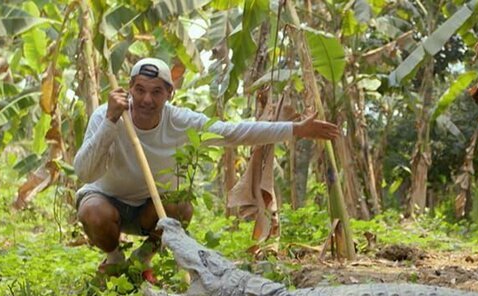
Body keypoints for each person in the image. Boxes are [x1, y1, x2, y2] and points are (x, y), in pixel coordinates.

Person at [74, 57, 340, 283]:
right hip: (105, 201)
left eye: (156, 92)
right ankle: (115, 259)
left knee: (182, 207)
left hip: (149, 208)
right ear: (129, 89)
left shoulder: (180, 120)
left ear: (170, 94)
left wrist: (295, 129)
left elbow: (232, 132)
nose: (146, 99)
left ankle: (142, 258)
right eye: (140, 90)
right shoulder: (106, 115)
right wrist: (110, 121)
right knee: (93, 212)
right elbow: (84, 172)